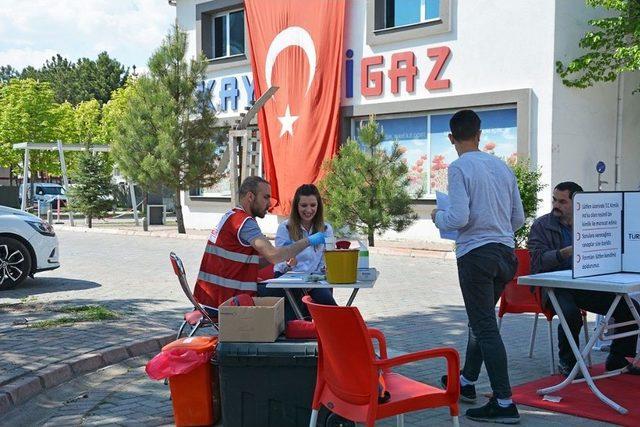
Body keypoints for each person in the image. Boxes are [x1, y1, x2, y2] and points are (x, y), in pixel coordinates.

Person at [431, 109, 525, 424]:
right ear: (480, 134)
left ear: (450, 137)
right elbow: (518, 220)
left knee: (484, 327)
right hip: (505, 255)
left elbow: (457, 218)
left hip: (476, 255)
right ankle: (467, 382)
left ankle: (504, 402)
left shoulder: (457, 168)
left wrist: (437, 218)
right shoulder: (502, 167)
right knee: (480, 321)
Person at [528, 181, 640, 376]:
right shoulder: (541, 225)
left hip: (586, 284)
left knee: (630, 309)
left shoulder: (590, 221)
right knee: (570, 314)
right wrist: (564, 253)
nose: (556, 205)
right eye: (554, 200)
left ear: (577, 203)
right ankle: (568, 363)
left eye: (563, 202)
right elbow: (537, 262)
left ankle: (617, 358)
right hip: (554, 287)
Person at [193, 176, 327, 312]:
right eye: (266, 197)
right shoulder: (244, 223)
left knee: (301, 294)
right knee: (298, 293)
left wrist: (283, 258)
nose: (269, 204)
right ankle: (328, 325)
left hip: (213, 298)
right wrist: (308, 241)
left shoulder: (232, 216)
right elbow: (274, 255)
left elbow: (255, 261)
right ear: (250, 196)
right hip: (226, 300)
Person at [273, 184, 337, 319]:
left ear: (318, 206)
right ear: (296, 206)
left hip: (314, 280)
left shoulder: (326, 229)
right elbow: (279, 264)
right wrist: (289, 264)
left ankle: (342, 329)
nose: (309, 210)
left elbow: (326, 259)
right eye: (304, 205)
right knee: (295, 316)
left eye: (313, 205)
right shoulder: (285, 228)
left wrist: (323, 270)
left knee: (327, 303)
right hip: (289, 279)